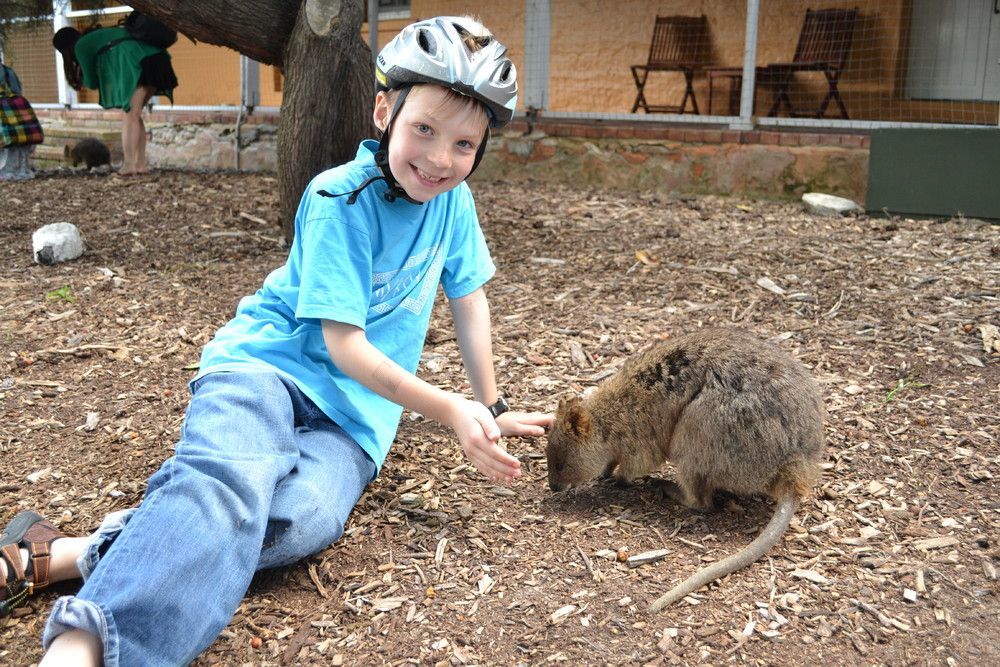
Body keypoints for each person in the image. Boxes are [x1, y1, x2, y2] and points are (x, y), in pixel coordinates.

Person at [2, 15, 551, 667]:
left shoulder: (454, 206)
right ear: (384, 111)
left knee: (298, 518)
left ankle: (61, 551)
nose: (439, 158)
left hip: (354, 419)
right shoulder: (337, 200)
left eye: (463, 144)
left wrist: (489, 405)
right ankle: (83, 643)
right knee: (232, 479)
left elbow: (469, 300)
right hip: (266, 368)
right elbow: (344, 345)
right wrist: (449, 407)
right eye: (424, 129)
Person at [52, 20, 178, 176]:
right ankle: (140, 164)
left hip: (140, 62)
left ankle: (129, 165)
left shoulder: (81, 46)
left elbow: (91, 82)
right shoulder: (95, 37)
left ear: (65, 49)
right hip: (157, 59)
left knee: (130, 114)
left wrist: (82, 77)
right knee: (135, 114)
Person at [0, 56, 41, 181]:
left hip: (4, 115)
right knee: (17, 141)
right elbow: (17, 91)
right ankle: (19, 170)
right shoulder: (8, 71)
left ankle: (6, 171)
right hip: (16, 111)